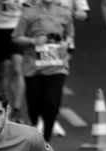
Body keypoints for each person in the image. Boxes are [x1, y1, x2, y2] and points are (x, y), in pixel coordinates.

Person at [12, 0, 74, 142]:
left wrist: (66, 42)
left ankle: (46, 138)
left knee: (51, 101)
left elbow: (69, 35)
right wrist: (33, 41)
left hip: (57, 65)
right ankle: (35, 122)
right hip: (33, 66)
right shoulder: (28, 14)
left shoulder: (64, 13)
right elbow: (16, 37)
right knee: (34, 102)